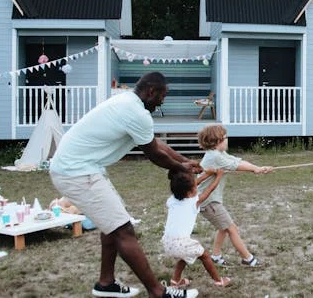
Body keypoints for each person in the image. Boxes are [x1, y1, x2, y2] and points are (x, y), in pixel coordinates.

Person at [49, 71, 202, 298]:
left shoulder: (127, 103)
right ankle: (158, 292)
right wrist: (182, 169)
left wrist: (182, 160)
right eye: (162, 95)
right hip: (76, 172)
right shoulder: (135, 112)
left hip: (82, 169)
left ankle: (106, 283)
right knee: (123, 229)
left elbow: (156, 143)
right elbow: (155, 155)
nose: (162, 101)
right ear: (151, 91)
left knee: (113, 225)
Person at [196, 124, 273, 267]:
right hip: (208, 201)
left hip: (211, 200)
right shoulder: (214, 157)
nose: (227, 140)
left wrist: (258, 168)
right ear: (217, 140)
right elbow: (236, 167)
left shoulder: (219, 154)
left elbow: (237, 161)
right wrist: (256, 169)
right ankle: (248, 259)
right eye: (225, 138)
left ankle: (216, 256)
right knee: (231, 229)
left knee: (224, 228)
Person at [162, 169, 232, 289]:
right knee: (204, 255)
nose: (196, 187)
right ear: (189, 193)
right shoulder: (194, 201)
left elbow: (194, 183)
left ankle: (175, 282)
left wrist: (208, 174)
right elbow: (209, 190)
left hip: (167, 242)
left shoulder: (172, 199)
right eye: (195, 188)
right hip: (181, 243)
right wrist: (218, 176)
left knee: (184, 257)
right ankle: (218, 281)